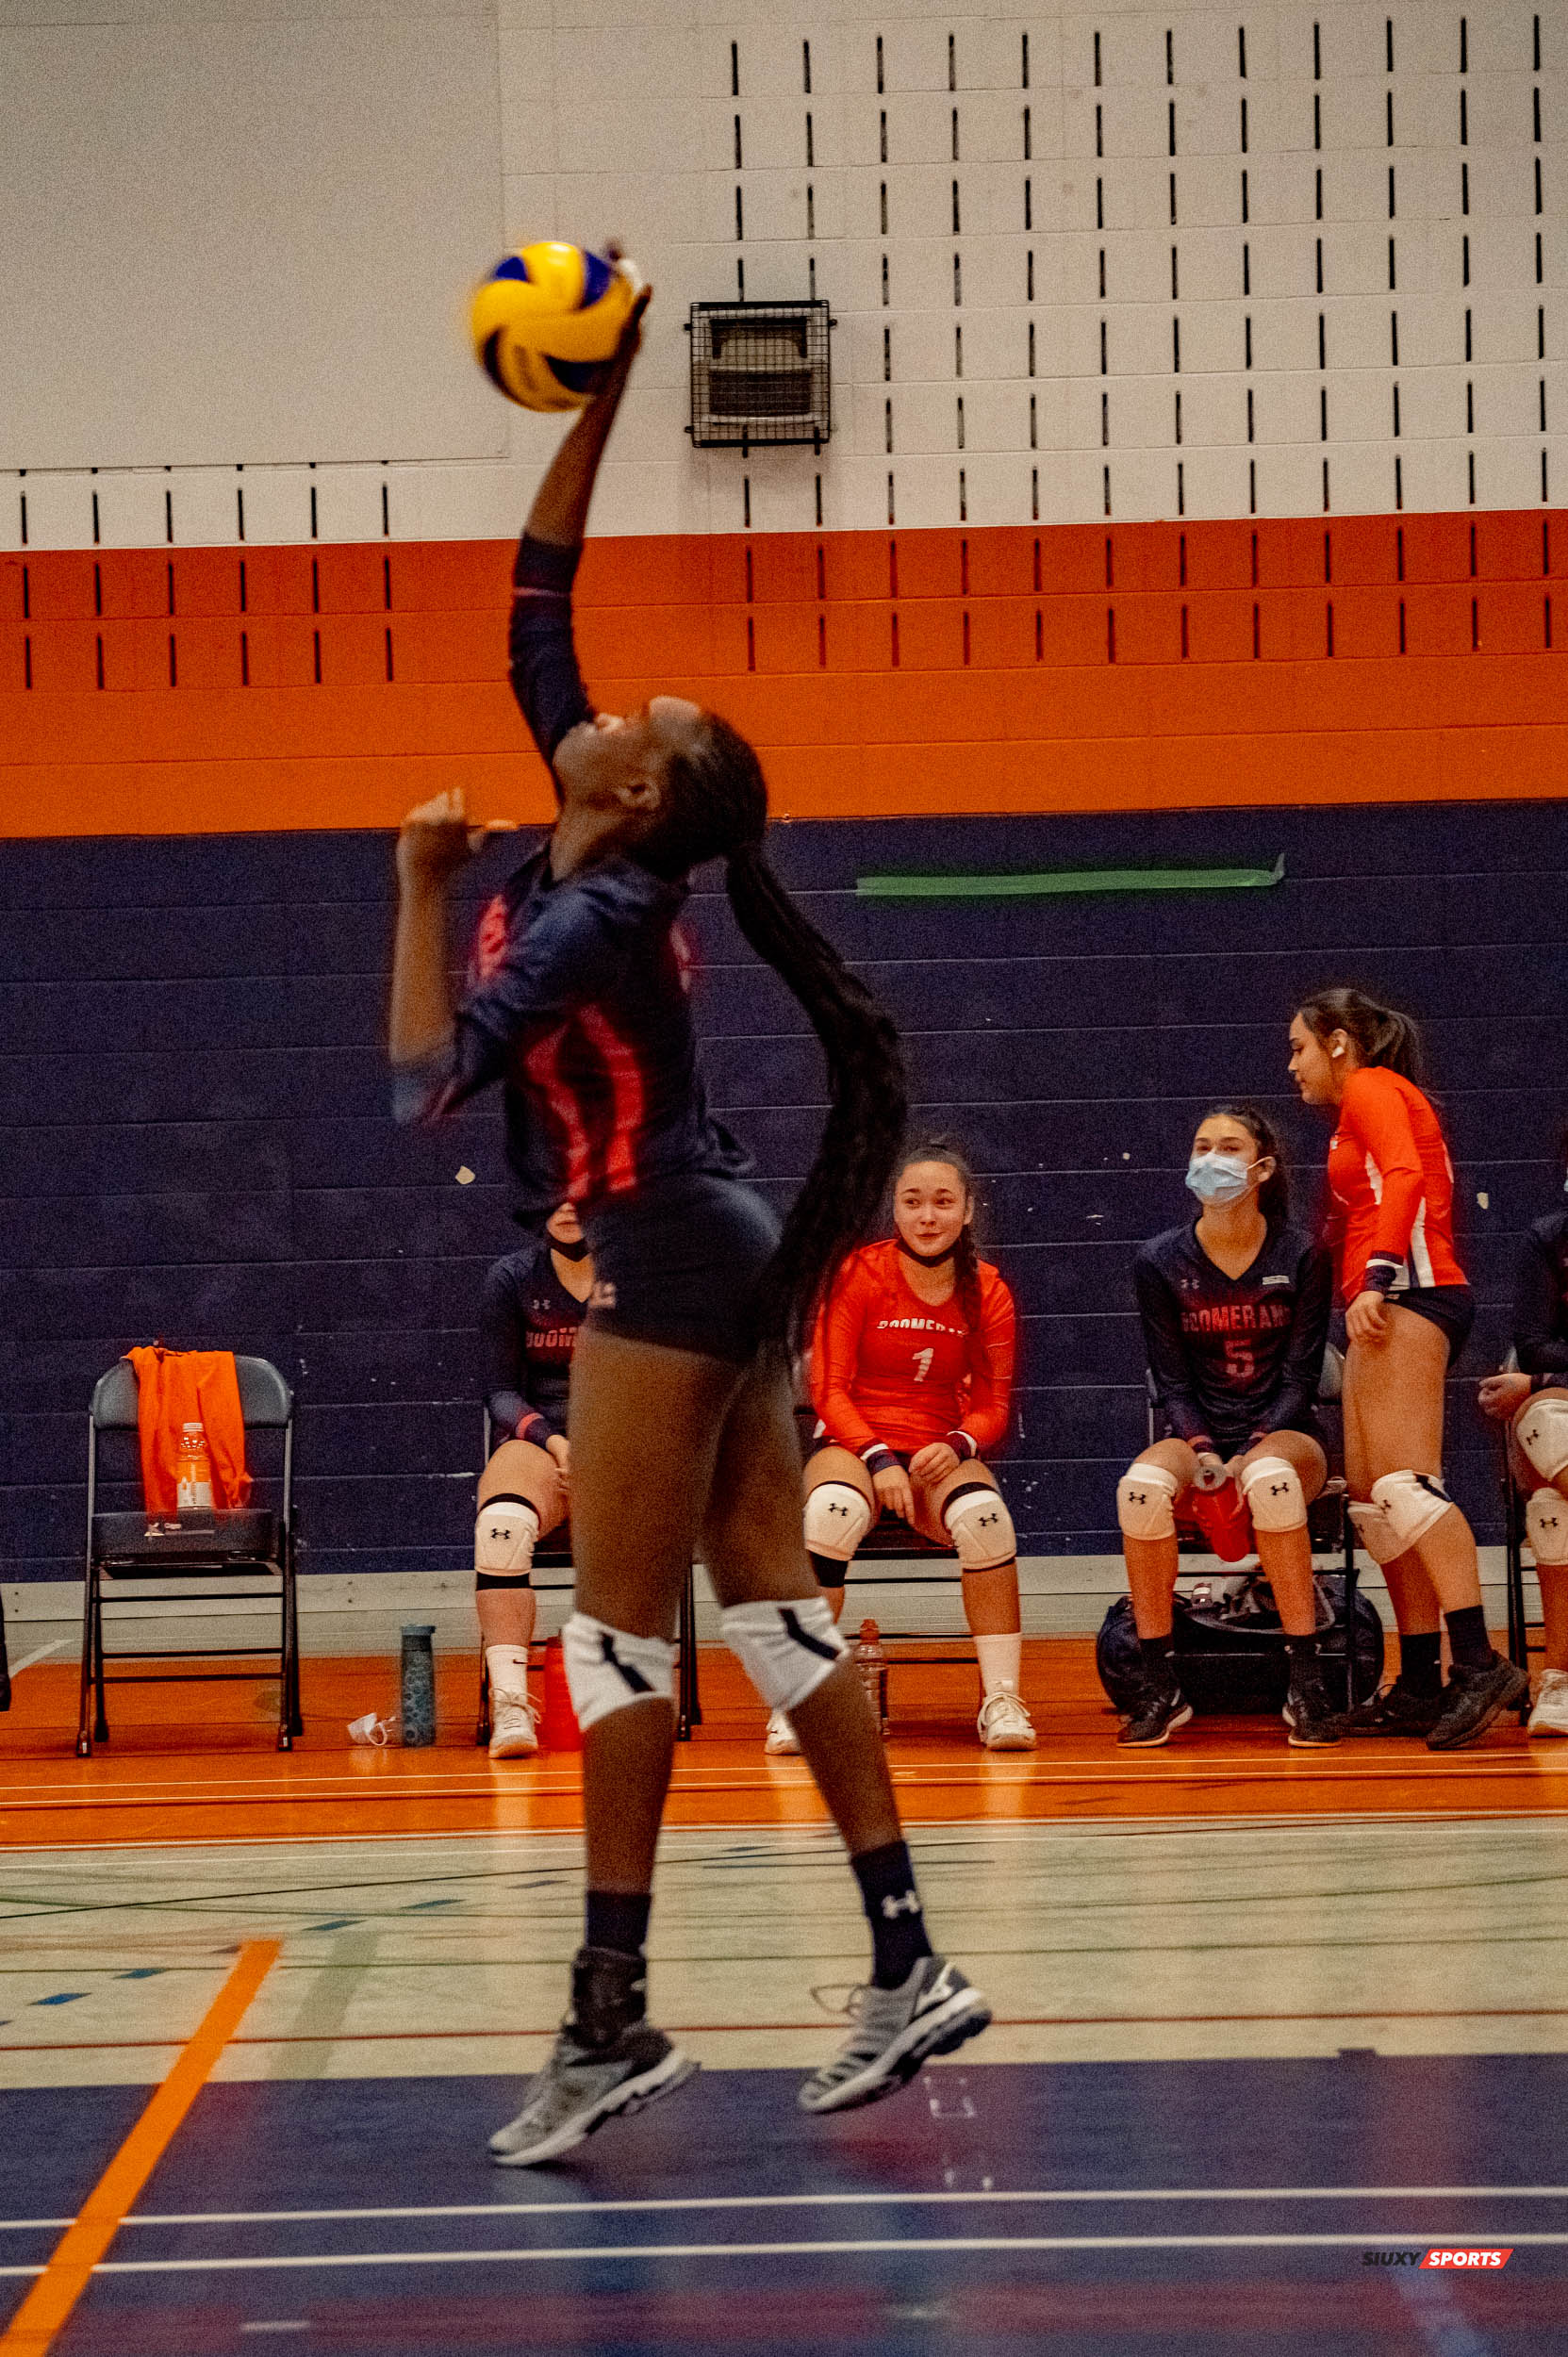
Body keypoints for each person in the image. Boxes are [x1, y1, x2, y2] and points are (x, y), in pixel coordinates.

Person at [388, 286, 989, 2167]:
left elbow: (424, 1077)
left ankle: (611, 2017)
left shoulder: (588, 916)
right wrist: (611, 384)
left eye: (651, 719)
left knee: (615, 1640)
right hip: (713, 1236)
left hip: (667, 1246)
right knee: (772, 1611)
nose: (617, 696)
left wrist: (416, 886)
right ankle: (909, 1959)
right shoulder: (599, 812)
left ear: (632, 789)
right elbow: (536, 593)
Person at [1289, 987, 1527, 1748]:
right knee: (1369, 1499)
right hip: (1380, 1297)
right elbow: (1344, 1215)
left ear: (1335, 1043)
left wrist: (1382, 1273)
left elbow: (1404, 1176)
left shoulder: (1369, 1085)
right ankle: (1420, 1677)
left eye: (1297, 1047)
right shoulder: (1345, 1117)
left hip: (1413, 1292)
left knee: (1403, 1483)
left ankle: (1479, 1663)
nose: (1290, 1064)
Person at [791, 1143, 1034, 1755]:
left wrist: (956, 1443)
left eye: (943, 1202)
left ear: (967, 1211)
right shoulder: (857, 1275)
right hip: (854, 1442)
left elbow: (993, 1406)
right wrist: (875, 1457)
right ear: (895, 1211)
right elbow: (827, 1390)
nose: (928, 1216)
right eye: (913, 1202)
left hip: (935, 1450)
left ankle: (1001, 1697)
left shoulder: (989, 1291)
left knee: (985, 1522)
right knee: (829, 1514)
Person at [1114, 1105, 1338, 1746]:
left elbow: (1300, 1380)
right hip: (1199, 1434)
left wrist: (1248, 1453)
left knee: (1269, 1478)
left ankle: (1305, 1679)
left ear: (1260, 1168)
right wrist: (1206, 1452)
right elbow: (1173, 1383)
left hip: (1286, 1436)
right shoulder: (1157, 1260)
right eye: (1201, 1146)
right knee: (1138, 1491)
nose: (1211, 1157)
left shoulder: (1301, 1253)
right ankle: (1159, 1683)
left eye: (1229, 1147)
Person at [475, 1201, 593, 1758]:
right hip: (543, 1442)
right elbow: (500, 1392)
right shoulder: (513, 1279)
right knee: (500, 1527)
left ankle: (632, 1698)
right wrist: (557, 1442)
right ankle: (511, 1704)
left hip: (620, 1443)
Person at [1477, 1144, 1568, 1737]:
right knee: (1545, 1434)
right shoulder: (1548, 1238)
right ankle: (1560, 1682)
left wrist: (1538, 1379)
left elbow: (1536, 1366)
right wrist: (1546, 1379)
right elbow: (1534, 1341)